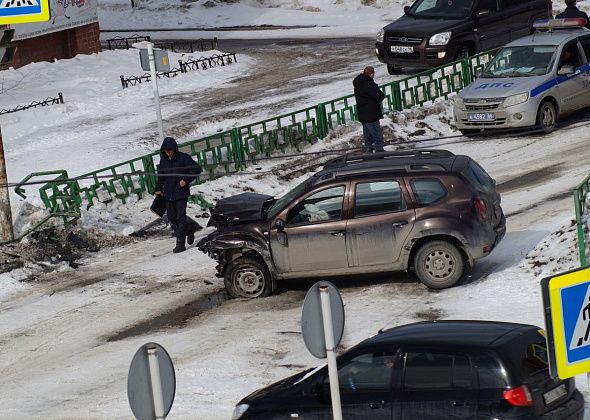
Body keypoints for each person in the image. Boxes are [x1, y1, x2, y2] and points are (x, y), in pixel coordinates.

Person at [155, 137, 202, 253]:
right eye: (166, 150)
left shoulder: (183, 158)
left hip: (181, 193)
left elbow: (196, 169)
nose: (168, 152)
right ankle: (189, 229)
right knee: (172, 218)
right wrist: (158, 189)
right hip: (168, 194)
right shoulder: (163, 161)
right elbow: (161, 176)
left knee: (181, 217)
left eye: (170, 149)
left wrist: (185, 180)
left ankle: (180, 244)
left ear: (174, 149)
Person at [353, 66, 386, 153]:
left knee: (368, 136)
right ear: (371, 74)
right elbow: (379, 96)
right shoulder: (368, 84)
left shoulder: (359, 83)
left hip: (363, 114)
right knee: (376, 134)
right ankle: (379, 152)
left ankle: (368, 153)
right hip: (371, 113)